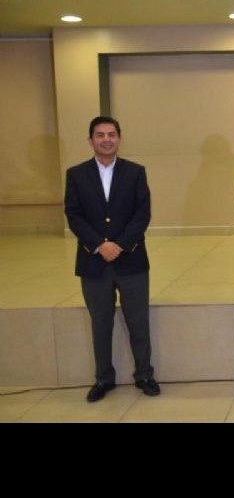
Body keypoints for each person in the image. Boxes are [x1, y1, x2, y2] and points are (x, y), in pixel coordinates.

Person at [64, 116, 160, 403]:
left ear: (119, 138)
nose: (106, 139)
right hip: (93, 262)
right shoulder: (76, 174)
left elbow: (142, 213)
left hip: (131, 260)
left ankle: (144, 375)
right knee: (100, 323)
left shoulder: (135, 172)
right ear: (90, 140)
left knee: (138, 322)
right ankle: (103, 378)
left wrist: (120, 245)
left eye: (111, 134)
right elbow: (73, 215)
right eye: (100, 135)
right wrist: (99, 245)